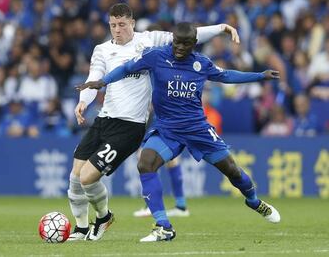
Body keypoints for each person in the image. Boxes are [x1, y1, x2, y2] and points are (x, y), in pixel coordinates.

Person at [78, 22, 281, 242]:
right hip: (167, 129)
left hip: (197, 128)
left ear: (194, 44)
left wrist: (260, 76)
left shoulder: (201, 63)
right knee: (145, 163)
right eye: (177, 42)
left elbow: (227, 76)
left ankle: (253, 201)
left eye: (186, 44)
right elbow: (126, 68)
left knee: (233, 171)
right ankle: (163, 226)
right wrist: (102, 81)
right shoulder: (155, 56)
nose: (180, 48)